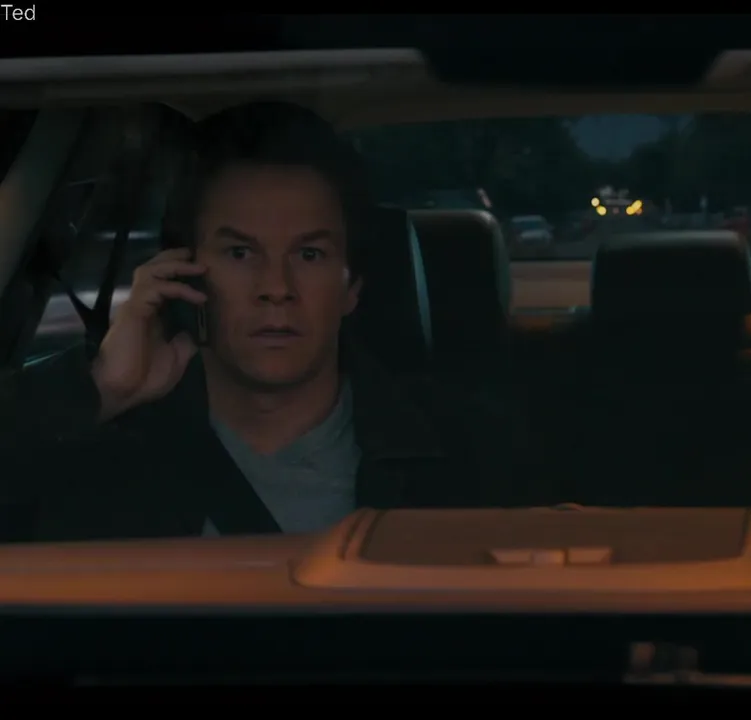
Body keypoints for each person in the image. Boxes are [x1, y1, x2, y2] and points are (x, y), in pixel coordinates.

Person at [0, 101, 528, 541]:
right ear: (182, 274)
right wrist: (101, 388)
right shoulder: (95, 447)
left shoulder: (470, 453)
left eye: (309, 255)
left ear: (352, 288)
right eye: (240, 253)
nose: (276, 287)